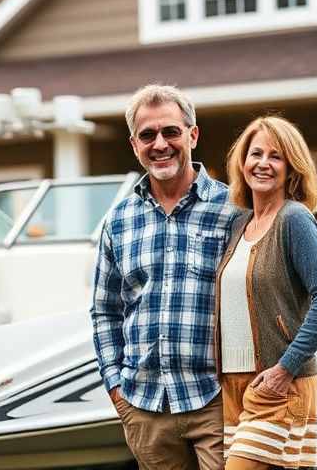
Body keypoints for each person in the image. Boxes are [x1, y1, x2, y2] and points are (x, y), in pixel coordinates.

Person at [90, 84, 236, 470]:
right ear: (134, 144)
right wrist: (116, 387)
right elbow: (105, 311)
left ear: (193, 134)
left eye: (170, 131)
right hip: (145, 407)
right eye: (147, 135)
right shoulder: (118, 221)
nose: (160, 144)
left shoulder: (233, 208)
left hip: (216, 400)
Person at [216, 116, 317, 469]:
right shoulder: (239, 224)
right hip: (233, 385)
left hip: (278, 384)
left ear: (291, 169)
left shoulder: (294, 219)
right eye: (255, 153)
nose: (263, 163)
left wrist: (284, 369)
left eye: (276, 156)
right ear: (242, 163)